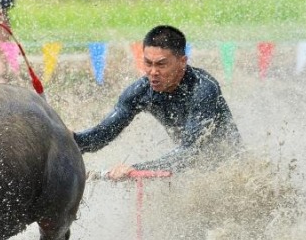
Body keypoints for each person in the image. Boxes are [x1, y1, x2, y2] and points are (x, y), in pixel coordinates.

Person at [74, 25, 241, 176]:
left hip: (231, 170)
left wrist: (136, 169)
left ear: (182, 62)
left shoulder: (203, 89)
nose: (153, 72)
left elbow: (190, 152)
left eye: (161, 64)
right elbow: (99, 137)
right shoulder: (140, 92)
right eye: (148, 63)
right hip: (191, 170)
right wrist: (68, 139)